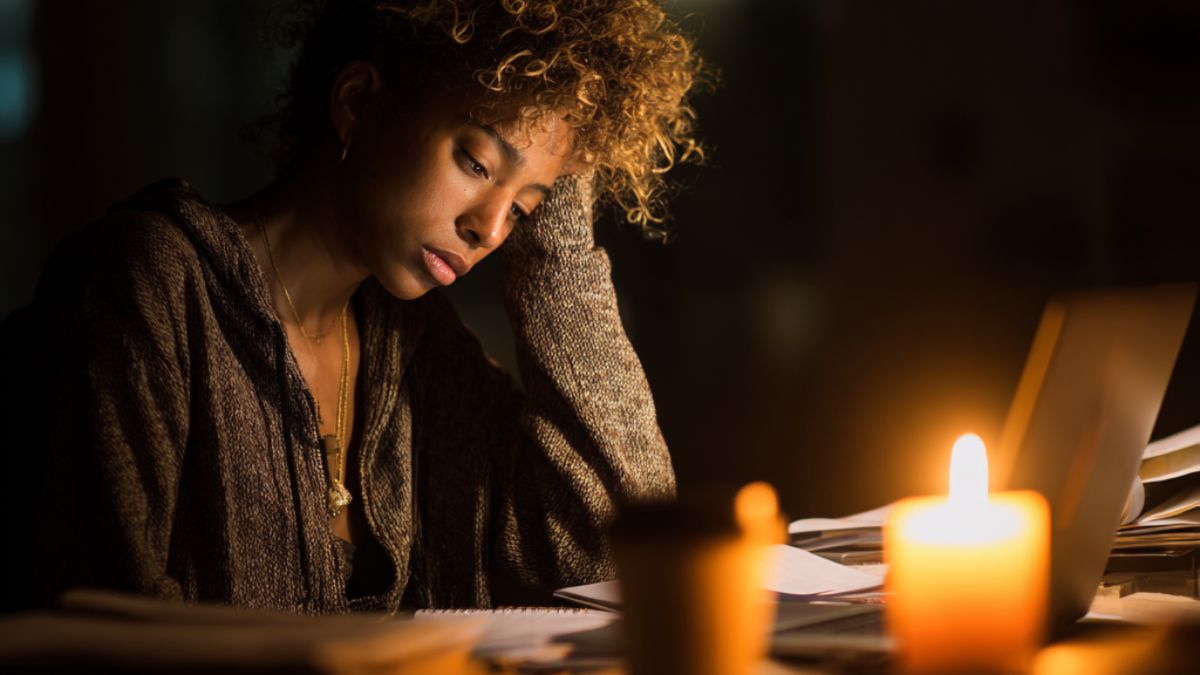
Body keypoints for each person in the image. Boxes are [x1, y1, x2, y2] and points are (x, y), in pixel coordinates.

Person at [1, 0, 709, 614]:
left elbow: (618, 556)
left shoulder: (412, 343)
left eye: (521, 212)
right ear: (358, 103)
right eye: (474, 164)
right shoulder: (151, 282)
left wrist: (554, 222)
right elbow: (99, 625)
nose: (489, 230)